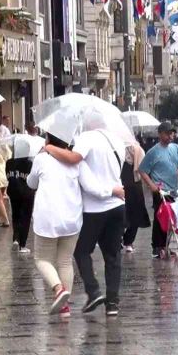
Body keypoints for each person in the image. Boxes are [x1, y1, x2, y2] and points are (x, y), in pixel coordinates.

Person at [45, 118, 126, 316]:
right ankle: (113, 303)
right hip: (118, 207)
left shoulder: (87, 138)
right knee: (113, 255)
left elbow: (74, 159)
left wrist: (49, 148)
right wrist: (114, 190)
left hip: (95, 208)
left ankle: (93, 290)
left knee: (81, 250)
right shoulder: (117, 140)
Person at [26, 134, 87, 319]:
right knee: (65, 261)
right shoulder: (75, 160)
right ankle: (65, 308)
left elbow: (31, 183)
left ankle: (59, 289)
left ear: (48, 141)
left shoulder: (42, 158)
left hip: (48, 217)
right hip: (71, 217)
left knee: (42, 259)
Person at [139, 122, 178, 258]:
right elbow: (142, 170)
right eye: (167, 133)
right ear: (160, 134)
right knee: (160, 218)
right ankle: (157, 246)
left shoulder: (176, 148)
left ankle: (166, 245)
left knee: (172, 219)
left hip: (174, 189)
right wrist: (151, 185)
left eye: (172, 133)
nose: (170, 136)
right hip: (160, 191)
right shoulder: (153, 152)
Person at [6, 140, 35, 254]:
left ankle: (16, 239)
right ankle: (23, 245)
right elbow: (33, 179)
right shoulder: (28, 164)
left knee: (16, 216)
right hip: (27, 194)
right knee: (25, 218)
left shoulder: (9, 162)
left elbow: (7, 176)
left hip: (13, 192)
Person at [122, 141, 150, 253]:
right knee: (135, 214)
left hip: (120, 184)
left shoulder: (115, 148)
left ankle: (120, 239)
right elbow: (143, 166)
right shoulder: (138, 148)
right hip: (134, 184)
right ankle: (128, 242)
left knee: (120, 214)